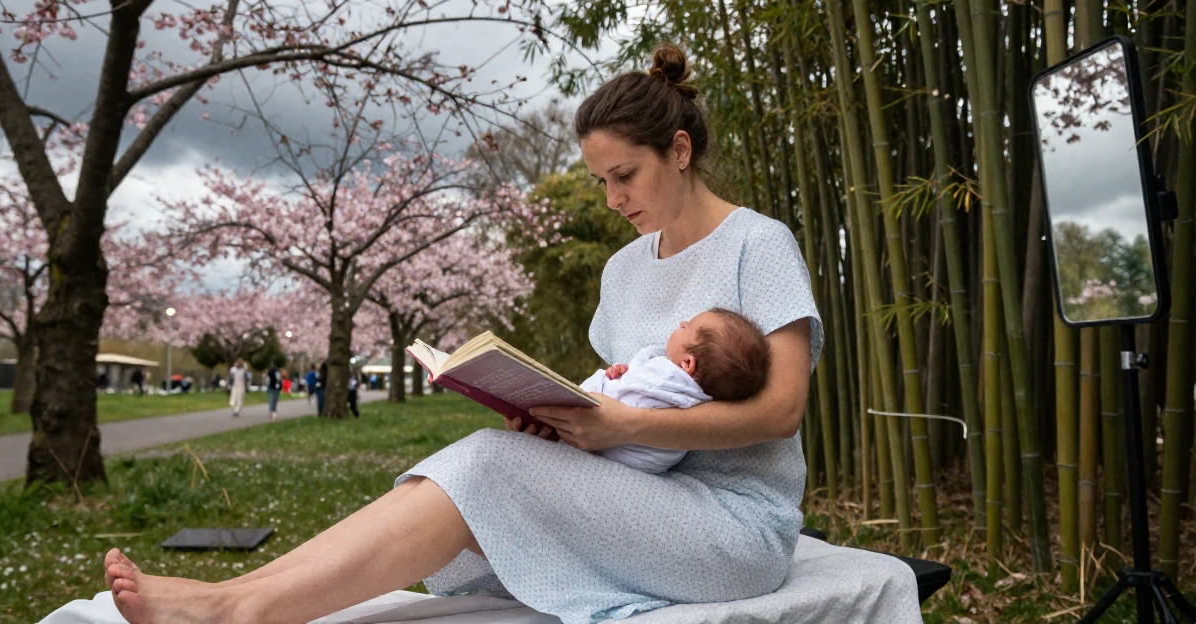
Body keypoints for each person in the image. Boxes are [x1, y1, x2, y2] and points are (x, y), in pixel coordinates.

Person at [101, 43, 822, 624]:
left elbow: (780, 410)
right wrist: (558, 421)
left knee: (485, 469)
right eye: (600, 181)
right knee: (483, 455)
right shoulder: (623, 270)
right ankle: (241, 593)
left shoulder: (757, 245)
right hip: (634, 497)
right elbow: (623, 405)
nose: (611, 200)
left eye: (624, 176)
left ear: (681, 150)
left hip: (730, 528)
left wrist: (616, 423)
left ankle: (242, 612)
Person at [582, 308, 769, 474]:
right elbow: (635, 388)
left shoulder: (666, 375)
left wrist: (615, 378)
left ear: (687, 363)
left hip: (612, 445)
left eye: (686, 328)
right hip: (646, 466)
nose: (681, 323)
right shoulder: (697, 402)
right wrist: (624, 372)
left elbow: (613, 396)